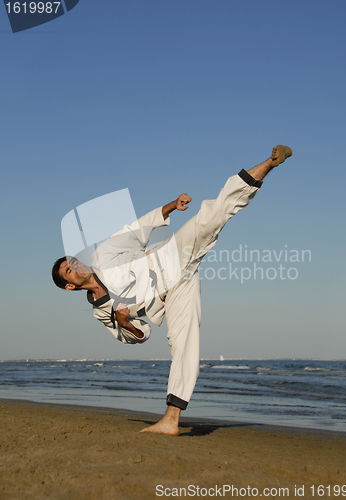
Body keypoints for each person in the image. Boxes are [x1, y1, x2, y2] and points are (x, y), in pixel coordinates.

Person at [52, 145, 292, 435]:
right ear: (69, 285)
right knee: (183, 339)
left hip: (170, 257)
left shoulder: (103, 255)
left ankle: (269, 162)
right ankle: (172, 419)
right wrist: (126, 321)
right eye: (69, 270)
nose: (75, 266)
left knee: (211, 216)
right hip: (173, 294)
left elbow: (137, 229)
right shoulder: (101, 312)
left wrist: (171, 206)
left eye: (72, 260)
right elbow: (139, 336)